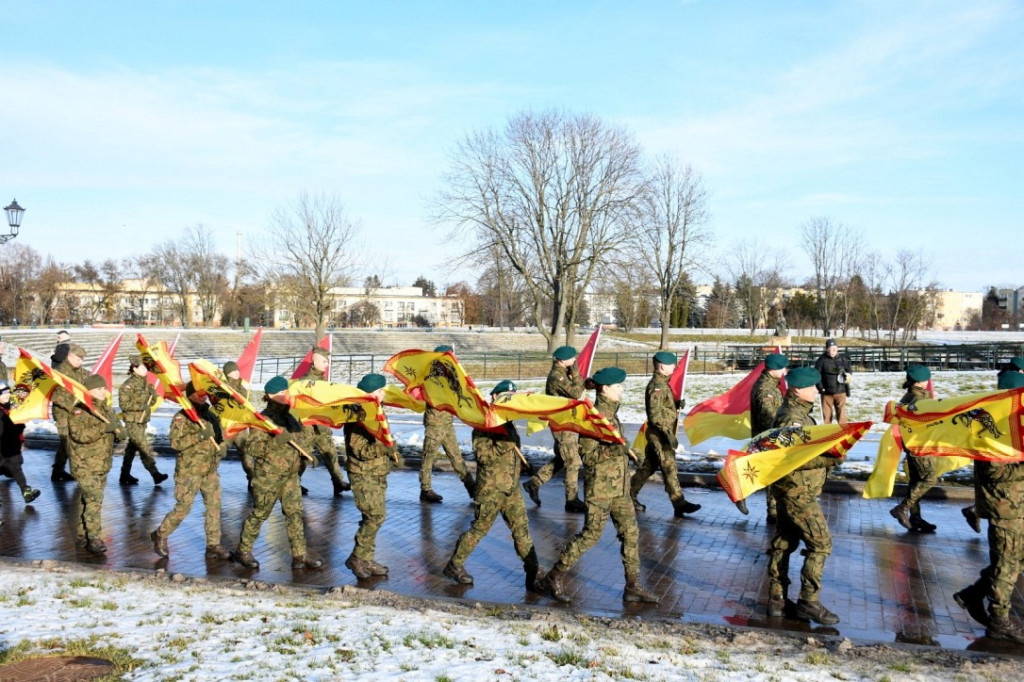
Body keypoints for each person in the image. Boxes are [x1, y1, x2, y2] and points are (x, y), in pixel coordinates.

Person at [541, 367, 659, 605]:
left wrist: (630, 451)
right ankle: (553, 576)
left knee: (631, 534)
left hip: (619, 489)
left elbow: (619, 447)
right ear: (605, 389)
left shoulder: (611, 415)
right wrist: (617, 447)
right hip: (600, 490)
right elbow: (589, 456)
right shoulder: (593, 417)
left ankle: (632, 586)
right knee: (591, 535)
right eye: (618, 387)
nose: (621, 390)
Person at [443, 380, 539, 588]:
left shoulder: (507, 422)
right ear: (495, 397)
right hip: (491, 490)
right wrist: (505, 446)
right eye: (505, 396)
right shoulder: (483, 424)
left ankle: (534, 574)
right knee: (479, 529)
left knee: (521, 530)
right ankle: (455, 564)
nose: (509, 401)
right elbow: (484, 456)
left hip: (510, 489)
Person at [952, 371, 1024, 643]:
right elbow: (994, 471)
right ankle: (999, 621)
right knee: (1006, 565)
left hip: (1016, 506)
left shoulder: (1011, 421)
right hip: (1004, 508)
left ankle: (972, 595)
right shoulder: (991, 424)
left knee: (1014, 562)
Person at [765, 366, 840, 625]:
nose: (817, 391)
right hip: (798, 493)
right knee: (821, 543)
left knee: (785, 542)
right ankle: (808, 601)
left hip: (794, 491)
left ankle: (777, 599)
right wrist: (829, 459)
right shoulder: (792, 418)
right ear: (797, 389)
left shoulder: (798, 415)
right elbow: (792, 458)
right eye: (812, 387)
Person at [233, 376, 323, 571]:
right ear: (271, 395)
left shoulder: (290, 416)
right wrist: (277, 441)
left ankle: (299, 554)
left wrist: (308, 451)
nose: (286, 396)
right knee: (260, 514)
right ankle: (244, 550)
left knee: (295, 514)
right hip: (269, 476)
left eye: (286, 392)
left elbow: (299, 439)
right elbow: (253, 448)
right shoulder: (263, 420)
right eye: (282, 393)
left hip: (290, 475)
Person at [150, 382, 230, 561]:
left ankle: (213, 544)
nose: (203, 396)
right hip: (189, 471)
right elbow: (175, 443)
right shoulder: (182, 417)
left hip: (210, 470)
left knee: (214, 507)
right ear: (190, 395)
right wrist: (199, 435)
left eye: (204, 393)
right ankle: (161, 534)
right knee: (183, 508)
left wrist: (222, 446)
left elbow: (220, 437)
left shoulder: (211, 415)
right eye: (198, 393)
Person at [630, 351, 701, 518]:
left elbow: (662, 407)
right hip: (660, 435)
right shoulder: (657, 386)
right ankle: (679, 502)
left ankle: (628, 495)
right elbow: (655, 416)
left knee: (648, 467)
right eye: (671, 365)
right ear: (662, 366)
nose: (675, 367)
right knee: (669, 468)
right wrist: (667, 433)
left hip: (662, 433)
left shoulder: (663, 384)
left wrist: (674, 404)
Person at [343, 373, 397, 580]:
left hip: (377, 472)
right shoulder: (359, 416)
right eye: (380, 390)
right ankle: (357, 557)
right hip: (362, 473)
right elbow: (359, 450)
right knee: (375, 516)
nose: (384, 393)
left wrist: (389, 452)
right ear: (372, 393)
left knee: (374, 516)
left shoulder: (376, 411)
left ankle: (366, 557)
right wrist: (383, 449)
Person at [961, 356, 1024, 533]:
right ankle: (976, 509)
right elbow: (995, 467)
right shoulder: (1000, 415)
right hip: (1005, 495)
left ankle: (975, 509)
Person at [523, 346, 587, 513]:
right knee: (572, 462)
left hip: (567, 422)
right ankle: (571, 500)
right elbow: (575, 392)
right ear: (561, 360)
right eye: (572, 359)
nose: (574, 361)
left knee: (561, 459)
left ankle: (534, 483)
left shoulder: (562, 374)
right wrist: (577, 375)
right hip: (562, 425)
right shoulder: (556, 376)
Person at [67, 375, 124, 554]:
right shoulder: (79, 411)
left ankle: (82, 533)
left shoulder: (106, 410)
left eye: (104, 388)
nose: (103, 391)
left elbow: (118, 431)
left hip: (102, 464)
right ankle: (95, 538)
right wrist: (103, 428)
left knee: (88, 499)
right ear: (88, 390)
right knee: (95, 499)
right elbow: (80, 435)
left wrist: (120, 432)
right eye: (99, 388)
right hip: (84, 465)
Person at [419, 345, 475, 504]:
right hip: (435, 424)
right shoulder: (431, 375)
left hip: (447, 422)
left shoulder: (448, 373)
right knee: (428, 458)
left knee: (456, 457)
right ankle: (425, 489)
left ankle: (471, 487)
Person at [889, 365, 940, 533]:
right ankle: (903, 508)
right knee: (930, 478)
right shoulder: (919, 399)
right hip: (920, 445)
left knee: (916, 481)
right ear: (920, 381)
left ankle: (915, 517)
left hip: (912, 444)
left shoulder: (909, 396)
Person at [738, 352, 789, 520]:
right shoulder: (765, 389)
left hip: (770, 436)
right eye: (782, 368)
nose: (785, 370)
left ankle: (772, 510)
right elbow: (768, 414)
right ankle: (742, 493)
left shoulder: (770, 386)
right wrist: (783, 425)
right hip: (767, 437)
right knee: (765, 473)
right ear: (774, 369)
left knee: (767, 473)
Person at [297, 347, 350, 496]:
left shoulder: (322, 380)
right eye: (324, 361)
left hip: (322, 426)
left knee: (330, 453)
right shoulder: (306, 381)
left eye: (327, 361)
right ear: (314, 362)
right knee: (304, 456)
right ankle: (293, 483)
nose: (327, 364)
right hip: (308, 427)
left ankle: (338, 482)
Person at [117, 354, 168, 486]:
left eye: (146, 367)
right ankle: (155, 474)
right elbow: (124, 405)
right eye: (142, 367)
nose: (145, 369)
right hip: (132, 421)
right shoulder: (128, 385)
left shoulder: (147, 383)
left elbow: (153, 400)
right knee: (144, 447)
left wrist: (152, 397)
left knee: (131, 449)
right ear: (134, 369)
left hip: (142, 421)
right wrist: (141, 406)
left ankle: (124, 474)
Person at [50, 343, 89, 482]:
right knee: (69, 443)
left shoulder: (81, 371)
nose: (81, 362)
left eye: (82, 359)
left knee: (67, 444)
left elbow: (88, 383)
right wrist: (73, 404)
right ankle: (77, 472)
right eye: (78, 359)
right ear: (70, 356)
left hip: (78, 414)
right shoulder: (59, 372)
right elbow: (55, 395)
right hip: (63, 414)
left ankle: (57, 471)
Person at [0, 381, 41, 504]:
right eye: (3, 393)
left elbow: (17, 426)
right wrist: (16, 427)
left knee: (16, 468)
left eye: (8, 392)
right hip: (1, 448)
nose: (7, 395)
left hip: (11, 446)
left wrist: (21, 441)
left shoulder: (11, 408)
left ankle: (26, 492)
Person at [220, 361, 253, 485]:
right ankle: (206, 477)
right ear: (228, 373)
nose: (237, 372)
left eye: (237, 370)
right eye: (234, 371)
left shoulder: (242, 387)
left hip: (240, 426)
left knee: (247, 453)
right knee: (218, 452)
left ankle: (252, 479)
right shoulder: (222, 386)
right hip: (225, 426)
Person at [813, 339, 852, 425]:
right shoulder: (821, 361)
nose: (832, 351)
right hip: (826, 392)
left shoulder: (843, 360)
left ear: (837, 349)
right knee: (827, 415)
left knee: (841, 414)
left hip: (841, 391)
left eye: (834, 349)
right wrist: (820, 387)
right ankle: (828, 431)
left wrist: (848, 376)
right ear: (826, 349)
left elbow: (849, 371)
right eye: (830, 349)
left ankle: (842, 430)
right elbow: (816, 375)